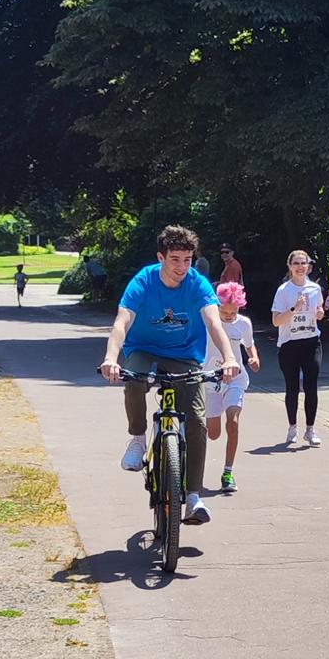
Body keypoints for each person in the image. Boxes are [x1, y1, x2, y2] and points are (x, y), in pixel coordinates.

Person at [101, 224, 239, 525]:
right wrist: (111, 358)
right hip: (144, 348)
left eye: (187, 260)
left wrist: (229, 358)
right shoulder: (144, 280)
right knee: (134, 379)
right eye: (175, 259)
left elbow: (214, 323)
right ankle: (138, 439)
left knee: (197, 421)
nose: (182, 267)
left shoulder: (197, 284)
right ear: (160, 257)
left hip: (184, 355)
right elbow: (122, 322)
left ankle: (193, 497)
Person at [204, 281, 259, 491]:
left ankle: (228, 472)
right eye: (224, 312)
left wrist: (254, 358)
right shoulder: (208, 321)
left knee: (233, 422)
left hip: (235, 378)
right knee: (213, 433)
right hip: (211, 379)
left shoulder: (244, 323)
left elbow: (250, 345)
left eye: (233, 312)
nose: (228, 316)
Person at [271, 248, 326, 444]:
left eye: (304, 263)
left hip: (311, 341)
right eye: (296, 263)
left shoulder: (315, 289)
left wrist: (320, 313)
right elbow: (276, 321)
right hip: (290, 344)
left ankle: (310, 430)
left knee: (311, 386)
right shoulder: (283, 290)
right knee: (292, 387)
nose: (300, 267)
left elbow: (319, 309)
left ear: (308, 266)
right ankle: (292, 426)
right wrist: (295, 308)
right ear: (290, 266)